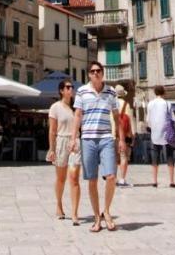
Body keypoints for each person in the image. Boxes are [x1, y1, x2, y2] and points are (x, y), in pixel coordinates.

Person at [70, 60, 122, 232]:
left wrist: (120, 139)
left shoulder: (111, 92)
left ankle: (106, 211)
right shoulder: (82, 91)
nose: (96, 73)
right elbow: (77, 115)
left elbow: (116, 117)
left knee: (111, 176)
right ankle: (97, 218)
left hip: (106, 138)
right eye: (92, 71)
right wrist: (73, 137)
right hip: (88, 139)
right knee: (91, 180)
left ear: (102, 73)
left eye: (98, 70)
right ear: (89, 75)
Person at [46, 79, 82, 224]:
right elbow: (52, 130)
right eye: (68, 87)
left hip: (75, 143)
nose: (71, 89)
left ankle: (74, 213)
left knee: (74, 178)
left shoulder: (77, 107)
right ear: (61, 90)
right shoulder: (55, 107)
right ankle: (59, 204)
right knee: (61, 179)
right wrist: (51, 148)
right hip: (61, 141)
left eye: (72, 87)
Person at [146, 85, 175, 188]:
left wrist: (153, 127)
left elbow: (148, 120)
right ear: (164, 92)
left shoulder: (150, 104)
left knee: (155, 156)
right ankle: (172, 181)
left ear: (155, 92)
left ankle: (154, 181)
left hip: (155, 133)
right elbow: (173, 119)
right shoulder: (167, 104)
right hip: (167, 133)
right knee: (169, 156)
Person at [114, 84, 134, 187]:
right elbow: (129, 121)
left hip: (112, 135)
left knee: (114, 158)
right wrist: (132, 135)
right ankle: (122, 179)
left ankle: (113, 179)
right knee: (123, 157)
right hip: (124, 135)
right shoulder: (126, 105)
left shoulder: (111, 104)